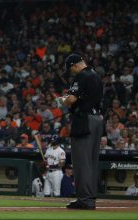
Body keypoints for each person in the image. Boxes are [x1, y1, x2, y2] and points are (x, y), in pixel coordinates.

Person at [58, 54, 103, 210]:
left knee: (82, 161)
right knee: (91, 161)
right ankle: (90, 197)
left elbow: (71, 100)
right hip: (97, 119)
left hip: (85, 120)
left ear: (74, 65)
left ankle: (85, 199)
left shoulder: (82, 75)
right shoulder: (96, 75)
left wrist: (62, 100)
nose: (72, 72)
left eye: (71, 69)